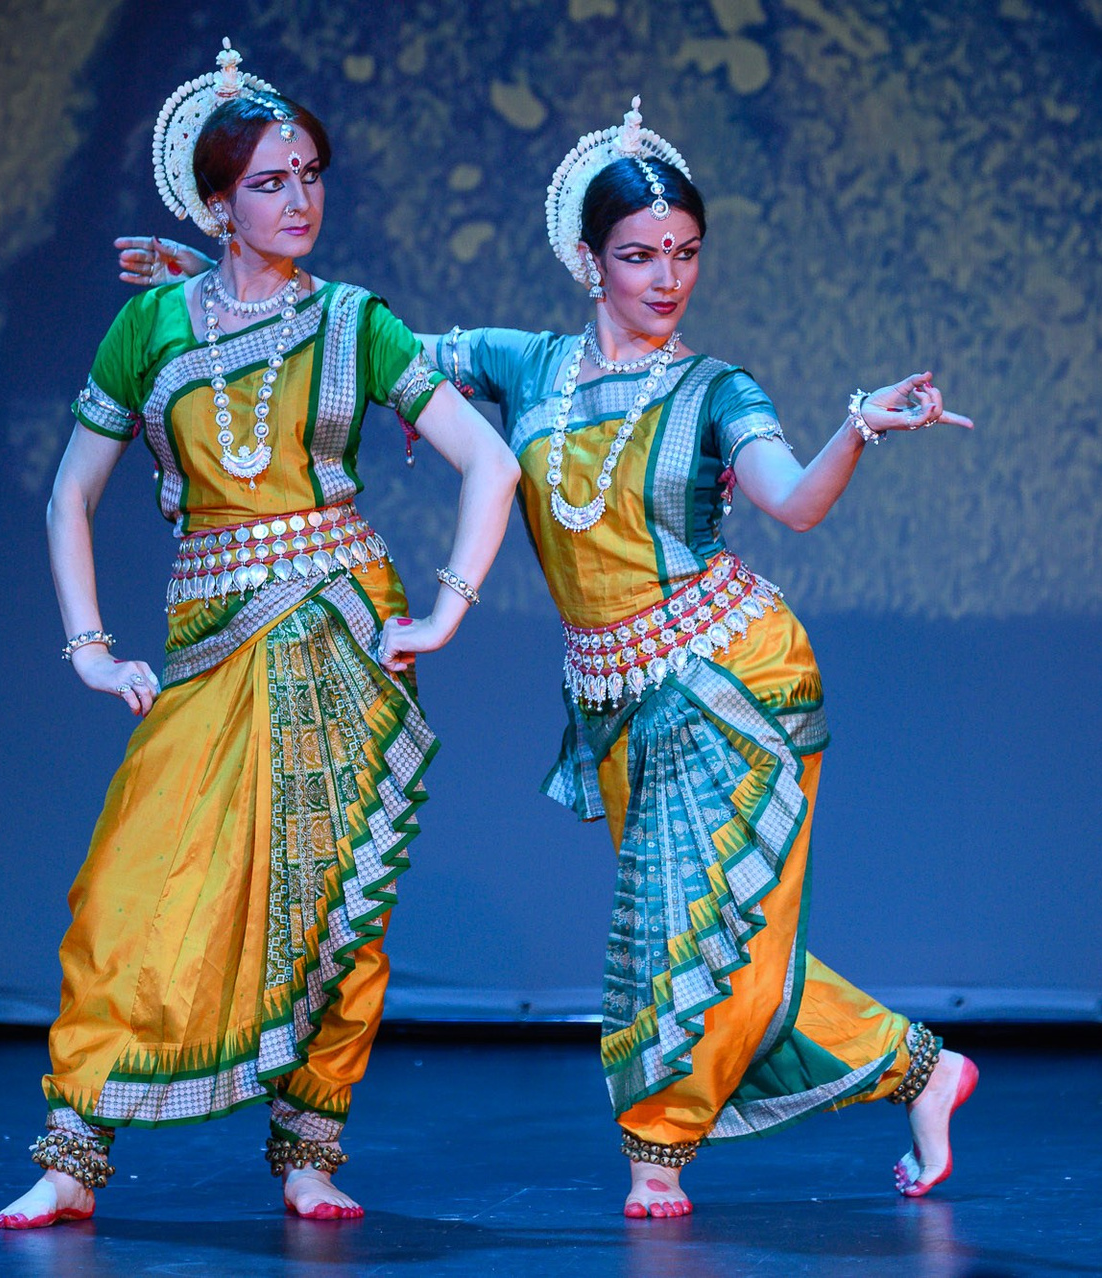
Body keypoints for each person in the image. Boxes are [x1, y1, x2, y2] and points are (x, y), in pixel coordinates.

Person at [118, 98, 978, 1220]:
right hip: (616, 695)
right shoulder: (525, 366)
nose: (667, 279)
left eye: (685, 255)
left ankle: (657, 1157)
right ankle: (920, 1070)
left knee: (674, 934)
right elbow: (361, 350)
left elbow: (794, 502)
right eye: (640, 256)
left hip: (731, 678)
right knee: (716, 935)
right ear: (589, 259)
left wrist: (857, 428)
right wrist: (220, 281)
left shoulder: (718, 392)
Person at [0, 41, 518, 1230]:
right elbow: (69, 494)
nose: (301, 200)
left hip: (341, 635)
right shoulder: (150, 327)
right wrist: (87, 645)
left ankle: (309, 1154)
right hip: (208, 646)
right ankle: (71, 1159)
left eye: (312, 175)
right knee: (131, 892)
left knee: (336, 911)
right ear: (218, 201)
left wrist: (447, 606)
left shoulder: (355, 321)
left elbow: (490, 461)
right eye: (272, 182)